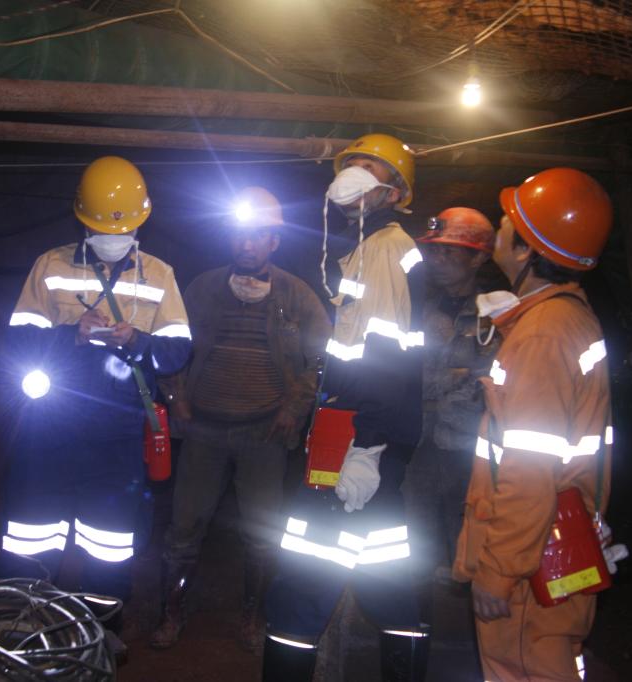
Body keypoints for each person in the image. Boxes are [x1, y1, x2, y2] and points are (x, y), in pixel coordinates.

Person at [262, 134, 430, 682]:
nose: (352, 174)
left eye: (368, 168)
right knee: (388, 583)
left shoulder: (382, 248)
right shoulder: (370, 247)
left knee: (300, 589)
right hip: (369, 435)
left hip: (357, 439)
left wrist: (367, 447)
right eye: (350, 165)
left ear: (393, 191)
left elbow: (384, 353)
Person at [453, 168, 626, 680]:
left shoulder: (543, 336)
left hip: (530, 561)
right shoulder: (564, 318)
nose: (498, 229)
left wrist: (500, 570)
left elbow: (529, 468)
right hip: (552, 541)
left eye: (508, 222)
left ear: (528, 249)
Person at [2, 156, 192, 608]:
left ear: (141, 223)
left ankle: (101, 633)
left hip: (118, 439)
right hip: (47, 431)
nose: (114, 237)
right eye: (104, 228)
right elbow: (18, 340)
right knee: (31, 540)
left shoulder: (160, 274)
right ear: (83, 220)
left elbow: (177, 351)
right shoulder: (49, 266)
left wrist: (137, 341)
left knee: (109, 549)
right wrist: (73, 334)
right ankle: (22, 626)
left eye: (122, 228)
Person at [149, 187, 331, 653]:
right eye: (239, 235)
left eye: (258, 235)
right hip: (204, 430)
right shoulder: (203, 288)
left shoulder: (297, 294)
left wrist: (294, 409)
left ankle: (253, 614)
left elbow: (322, 359)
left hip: (264, 432)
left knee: (263, 535)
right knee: (183, 529)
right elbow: (169, 346)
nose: (247, 244)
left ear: (274, 241)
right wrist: (177, 399)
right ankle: (173, 611)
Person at [405, 208, 501, 599]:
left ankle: (464, 622)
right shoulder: (417, 307)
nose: (437, 260)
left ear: (477, 258)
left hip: (470, 451)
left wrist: (445, 385)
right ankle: (420, 619)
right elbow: (403, 371)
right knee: (416, 551)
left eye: (449, 252)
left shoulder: (497, 314)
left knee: (469, 550)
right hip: (418, 448)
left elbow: (492, 381)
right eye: (433, 251)